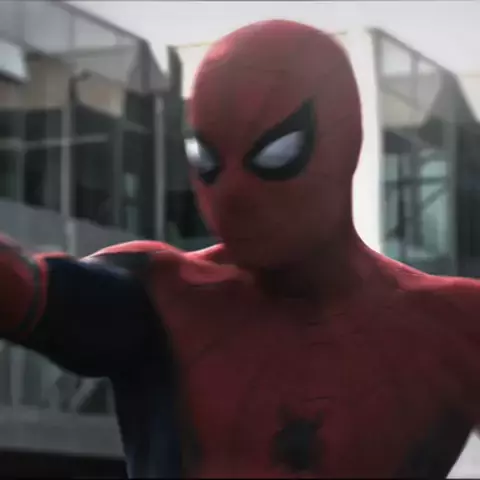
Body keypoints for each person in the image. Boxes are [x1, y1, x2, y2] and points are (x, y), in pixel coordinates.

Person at [1, 19, 480, 478]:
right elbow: (29, 290)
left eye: (276, 154)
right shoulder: (163, 295)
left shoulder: (456, 325)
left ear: (347, 139)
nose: (232, 195)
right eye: (206, 159)